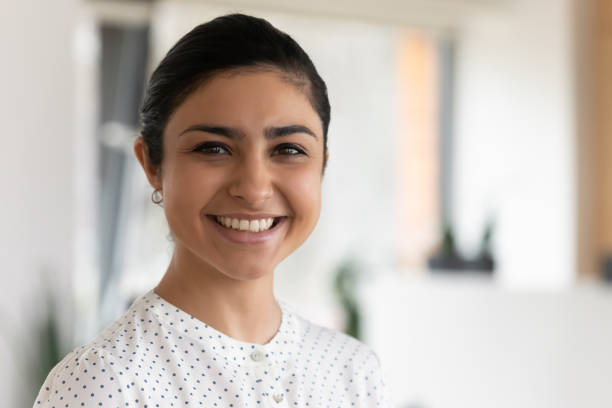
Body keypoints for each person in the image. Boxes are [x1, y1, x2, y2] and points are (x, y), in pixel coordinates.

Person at [34, 13, 390, 407]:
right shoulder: (106, 382)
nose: (254, 189)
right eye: (213, 148)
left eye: (288, 150)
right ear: (153, 165)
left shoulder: (352, 372)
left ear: (322, 164)